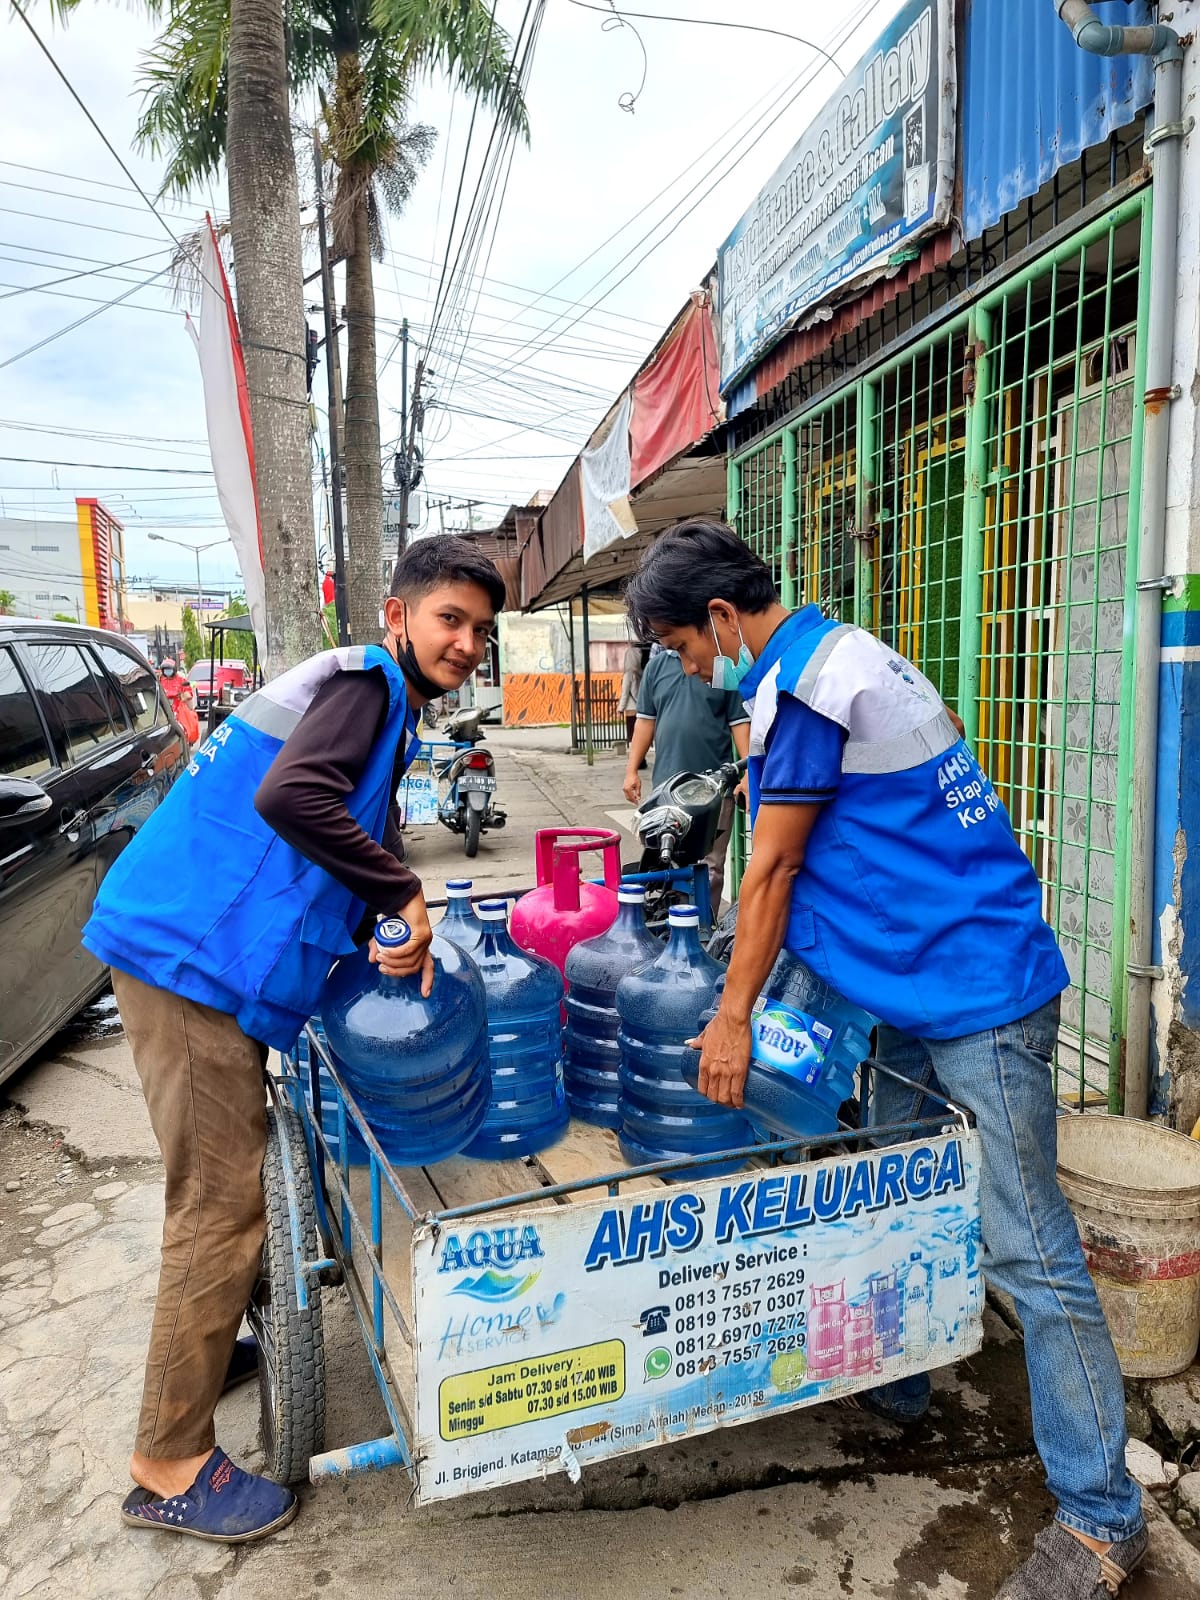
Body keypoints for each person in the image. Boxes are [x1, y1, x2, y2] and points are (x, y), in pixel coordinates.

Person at [623, 519, 1146, 1600]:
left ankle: (1103, 1516)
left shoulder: (809, 687)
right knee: (894, 1181)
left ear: (722, 618)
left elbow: (770, 875)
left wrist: (731, 1020)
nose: (688, 666)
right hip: (909, 977)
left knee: (1029, 1248)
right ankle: (904, 1383)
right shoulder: (844, 655)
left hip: (976, 990)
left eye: (683, 646)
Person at [83, 536, 505, 1545]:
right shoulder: (366, 685)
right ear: (398, 616)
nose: (468, 643)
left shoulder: (383, 710)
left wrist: (385, 916)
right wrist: (399, 895)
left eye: (484, 630)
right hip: (193, 959)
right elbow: (291, 798)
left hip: (190, 949)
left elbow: (352, 838)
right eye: (451, 619)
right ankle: (168, 1464)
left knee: (221, 1190)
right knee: (222, 1205)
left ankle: (206, 1345)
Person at [622, 642, 749, 919]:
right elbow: (645, 721)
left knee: (710, 867)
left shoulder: (721, 664)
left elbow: (739, 721)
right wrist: (631, 769)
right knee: (664, 863)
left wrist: (749, 771)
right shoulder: (656, 666)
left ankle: (703, 934)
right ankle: (671, 928)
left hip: (714, 790)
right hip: (666, 791)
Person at [158, 657, 199, 744]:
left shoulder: (181, 680)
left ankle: (185, 741)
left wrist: (185, 699)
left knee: (184, 726)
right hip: (163, 709)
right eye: (165, 669)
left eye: (169, 669)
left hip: (178, 707)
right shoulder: (160, 680)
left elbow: (188, 693)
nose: (167, 671)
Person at [616, 640, 648, 747]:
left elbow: (625, 693)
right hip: (640, 706)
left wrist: (620, 708)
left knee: (632, 735)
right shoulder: (642, 673)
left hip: (631, 707)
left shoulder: (628, 674)